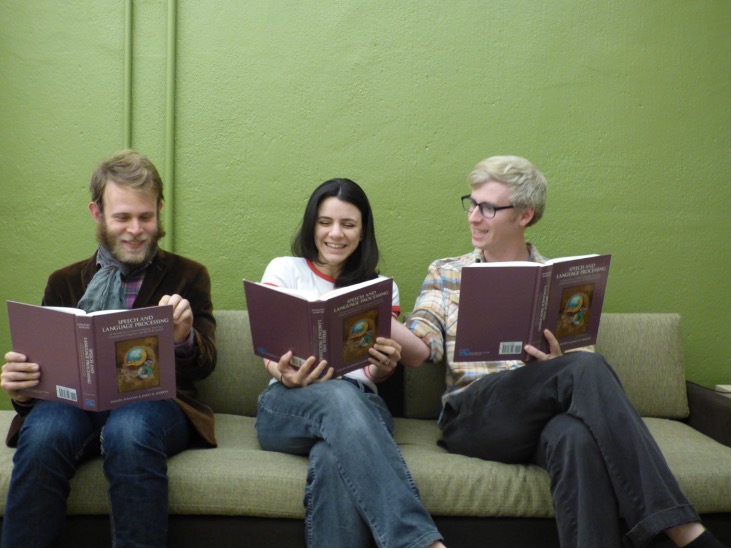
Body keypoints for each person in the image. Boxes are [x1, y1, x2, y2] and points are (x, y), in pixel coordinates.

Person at [392, 155, 721, 548]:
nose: (474, 217)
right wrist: (380, 318)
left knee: (574, 435)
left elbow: (582, 372)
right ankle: (682, 529)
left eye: (488, 208)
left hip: (539, 418)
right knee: (584, 367)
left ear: (525, 214)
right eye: (472, 204)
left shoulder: (560, 281)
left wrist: (553, 363)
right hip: (474, 418)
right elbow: (420, 348)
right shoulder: (446, 272)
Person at [0, 150, 217, 547]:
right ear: (97, 213)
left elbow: (205, 366)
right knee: (44, 432)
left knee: (129, 430)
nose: (136, 230)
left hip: (156, 404)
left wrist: (183, 337)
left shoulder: (189, 276)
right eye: (122, 217)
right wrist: (23, 390)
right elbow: (41, 382)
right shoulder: (63, 282)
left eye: (146, 216)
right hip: (74, 405)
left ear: (160, 210)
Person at [254, 178, 444, 548]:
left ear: (363, 231)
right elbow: (270, 355)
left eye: (348, 224)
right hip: (287, 405)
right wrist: (285, 374)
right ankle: (418, 542)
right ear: (312, 225)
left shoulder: (381, 287)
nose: (335, 234)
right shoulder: (284, 270)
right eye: (325, 222)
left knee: (332, 455)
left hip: (362, 404)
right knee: (337, 395)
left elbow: (375, 370)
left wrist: (385, 367)